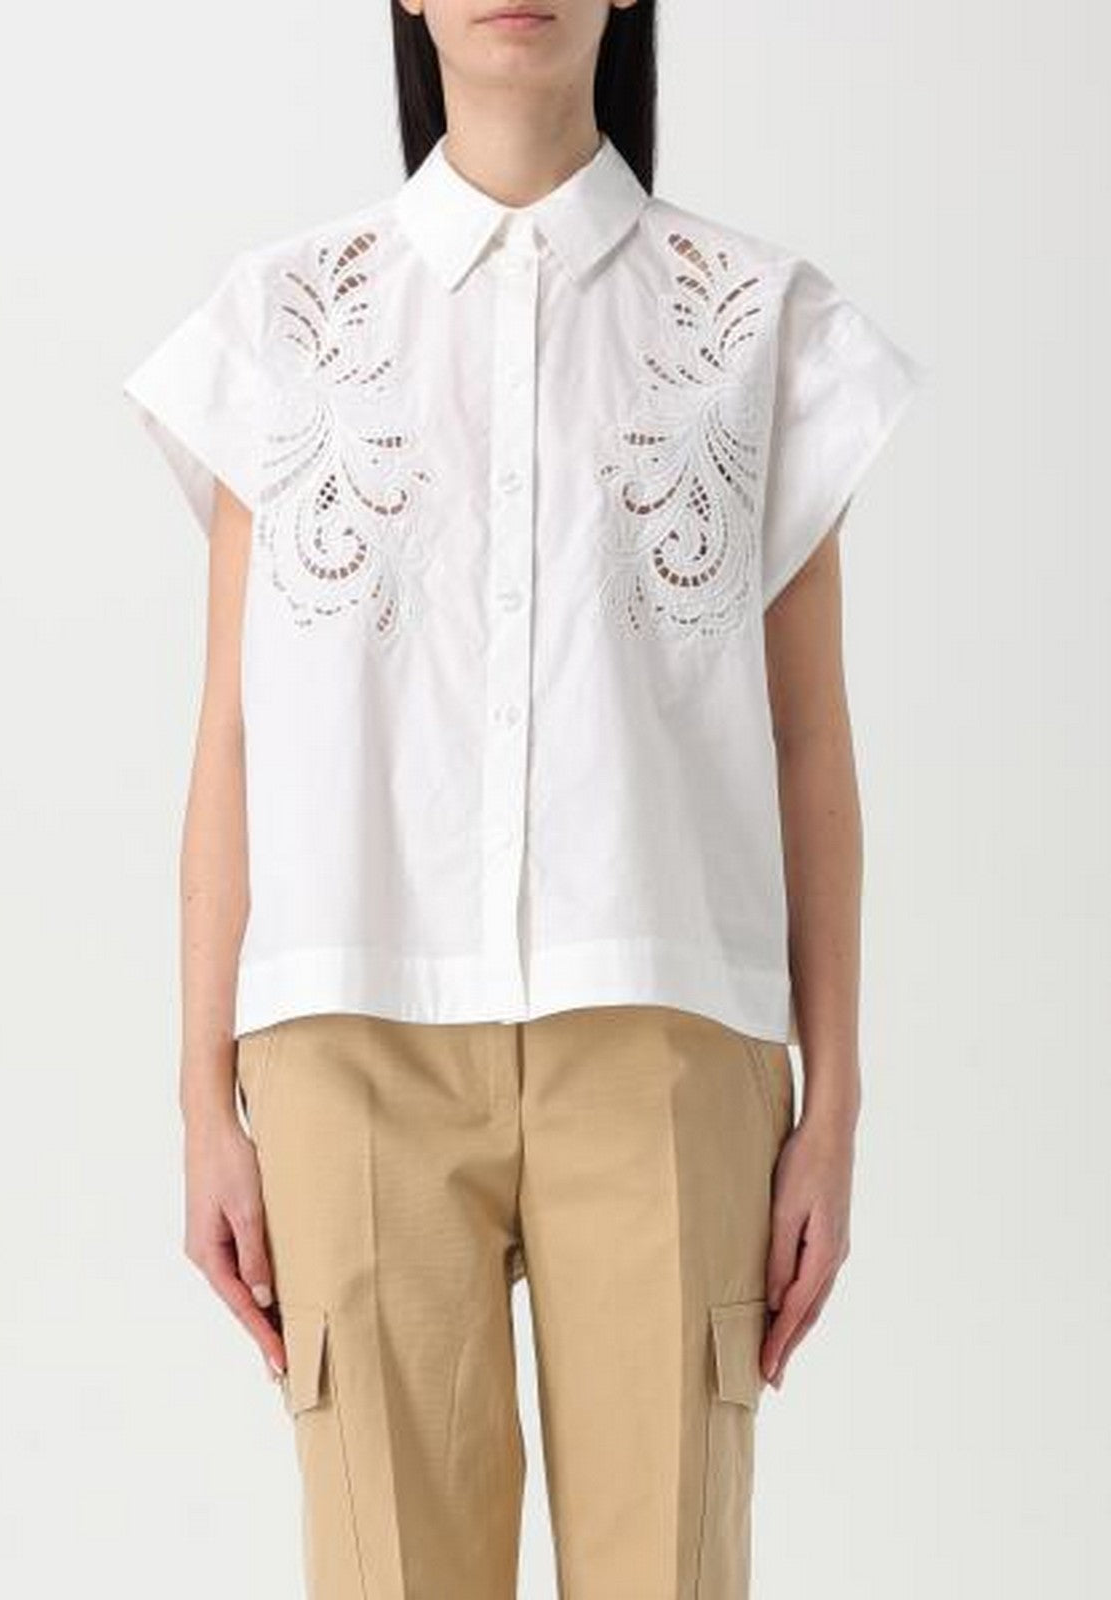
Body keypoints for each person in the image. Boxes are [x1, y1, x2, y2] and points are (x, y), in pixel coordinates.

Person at [121, 3, 926, 1595]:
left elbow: (807, 744)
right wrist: (202, 1095)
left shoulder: (758, 322)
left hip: (667, 1045)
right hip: (348, 1044)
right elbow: (230, 736)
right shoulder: (281, 321)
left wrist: (831, 1107)